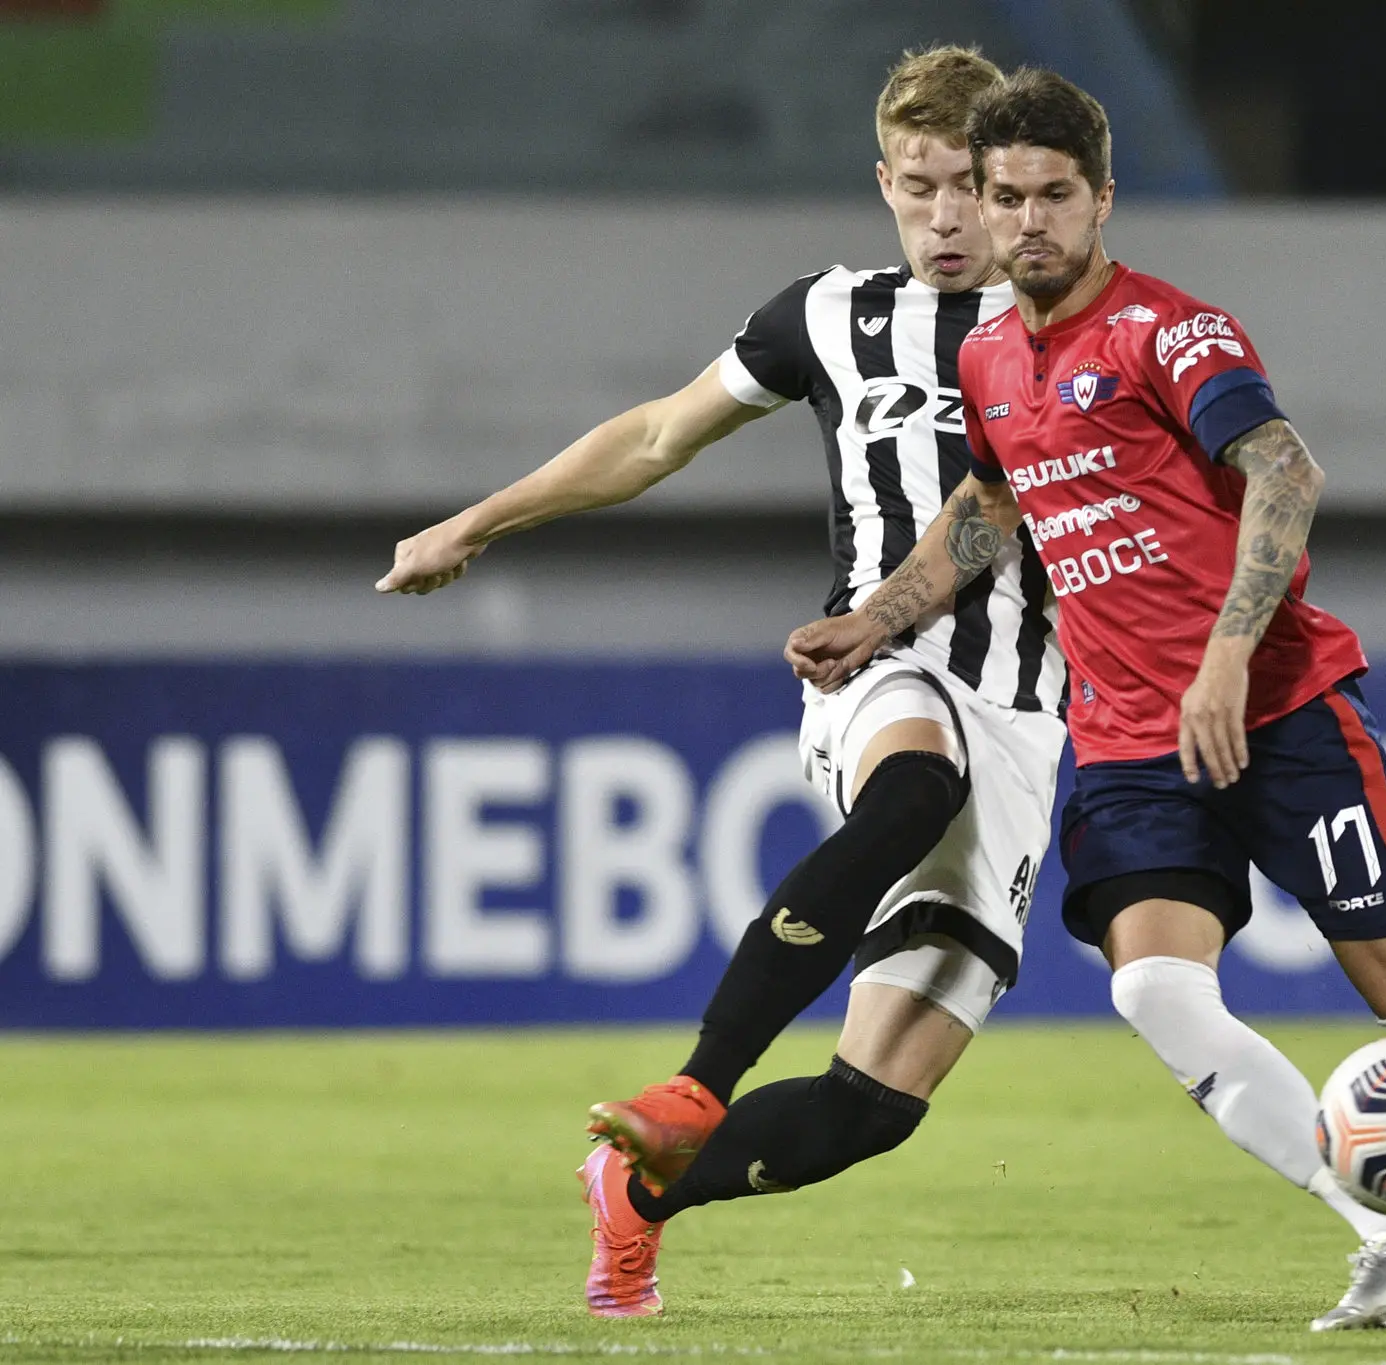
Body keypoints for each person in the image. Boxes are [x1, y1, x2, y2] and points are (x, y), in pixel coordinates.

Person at [787, 66, 1386, 1333]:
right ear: (983, 209)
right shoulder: (990, 360)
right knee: (1154, 990)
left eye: (1056, 195)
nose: (1027, 222)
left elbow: (1285, 471)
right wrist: (878, 617)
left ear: (1102, 200)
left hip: (1273, 705)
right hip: (1124, 737)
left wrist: (1224, 654)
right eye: (1006, 198)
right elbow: (988, 511)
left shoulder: (1172, 333)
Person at [376, 46, 1069, 1318]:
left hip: (1025, 714)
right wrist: (478, 521)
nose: (945, 217)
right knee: (913, 784)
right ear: (883, 181)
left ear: (1016, 188)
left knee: (872, 1109)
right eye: (917, 186)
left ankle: (642, 1195)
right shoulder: (824, 315)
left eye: (969, 187)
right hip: (877, 662)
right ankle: (697, 1084)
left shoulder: (1066, 332)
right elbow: (653, 434)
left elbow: (1008, 510)